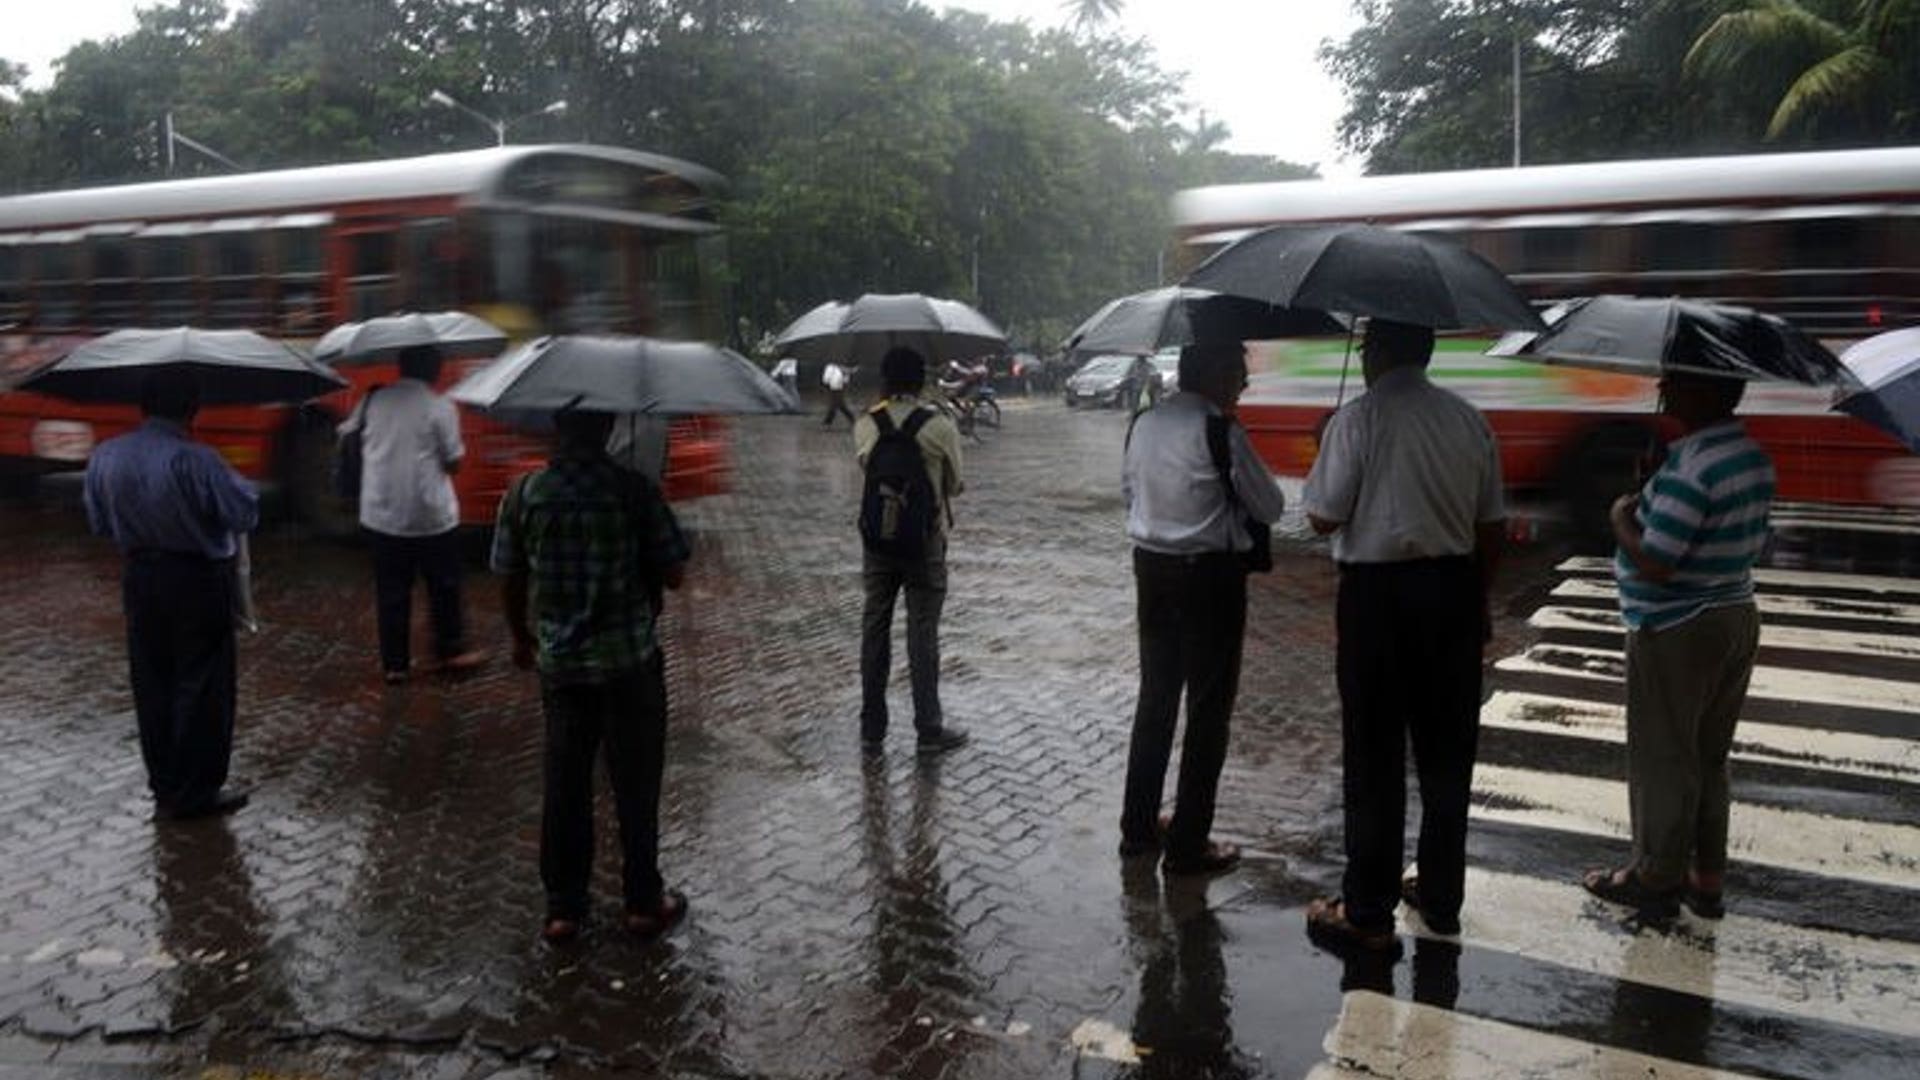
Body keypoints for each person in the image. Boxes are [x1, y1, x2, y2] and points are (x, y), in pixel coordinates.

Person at [1301, 318, 1505, 952]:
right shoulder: (1467, 419)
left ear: (1380, 352)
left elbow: (1322, 516)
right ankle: (1441, 899)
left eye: (1365, 348)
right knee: (1447, 758)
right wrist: (1476, 599)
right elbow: (1491, 524)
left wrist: (1323, 449)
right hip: (1452, 594)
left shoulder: (1357, 420)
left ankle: (1367, 910)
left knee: (1374, 758)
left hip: (1376, 602)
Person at [492, 408, 693, 944]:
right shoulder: (633, 491)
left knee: (565, 782)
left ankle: (563, 910)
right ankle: (643, 904)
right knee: (636, 782)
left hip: (561, 667)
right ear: (607, 430)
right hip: (630, 663)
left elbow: (509, 575)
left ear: (554, 429)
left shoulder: (524, 493)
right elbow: (673, 574)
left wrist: (520, 637)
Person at [1582, 370, 1771, 921]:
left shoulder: (1694, 465)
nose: (1665, 387)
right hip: (1734, 612)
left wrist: (1621, 514)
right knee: (1709, 758)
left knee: (1665, 759)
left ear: (1706, 392)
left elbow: (1658, 560)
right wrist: (1654, 488)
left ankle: (1655, 878)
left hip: (1677, 627)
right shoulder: (1749, 455)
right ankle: (1705, 881)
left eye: (1678, 380)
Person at [1119, 341, 1284, 876]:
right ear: (1214, 373)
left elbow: (1130, 494)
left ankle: (1137, 830)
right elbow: (1272, 506)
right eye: (1239, 372)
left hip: (1152, 571)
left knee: (1156, 702)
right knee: (1209, 710)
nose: (1245, 384)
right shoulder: (1221, 431)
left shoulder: (1143, 423)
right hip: (1210, 581)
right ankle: (1189, 842)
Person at [83, 368, 259, 822]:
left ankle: (164, 786)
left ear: (142, 406)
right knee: (202, 685)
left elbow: (100, 523)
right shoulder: (198, 460)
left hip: (140, 579)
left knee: (153, 682)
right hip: (197, 581)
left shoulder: (106, 455)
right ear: (192, 410)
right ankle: (197, 791)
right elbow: (242, 513)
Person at [340, 344, 484, 684]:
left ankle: (396, 665)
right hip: (431, 517)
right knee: (443, 586)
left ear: (401, 368)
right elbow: (454, 462)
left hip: (381, 514)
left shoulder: (373, 400)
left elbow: (349, 436)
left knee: (392, 591)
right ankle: (448, 652)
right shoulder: (440, 407)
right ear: (433, 370)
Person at [854, 346, 970, 756]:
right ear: (921, 381)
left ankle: (871, 730)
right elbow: (955, 486)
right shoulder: (939, 426)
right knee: (922, 633)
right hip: (924, 544)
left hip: (878, 544)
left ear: (884, 381)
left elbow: (867, 472)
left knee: (874, 629)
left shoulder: (867, 424)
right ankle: (928, 729)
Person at [821, 360, 856, 428]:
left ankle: (827, 422)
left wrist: (844, 382)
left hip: (839, 388)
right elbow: (826, 379)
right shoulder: (831, 368)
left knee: (836, 405)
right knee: (840, 405)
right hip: (832, 388)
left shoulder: (843, 371)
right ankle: (852, 420)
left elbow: (845, 380)